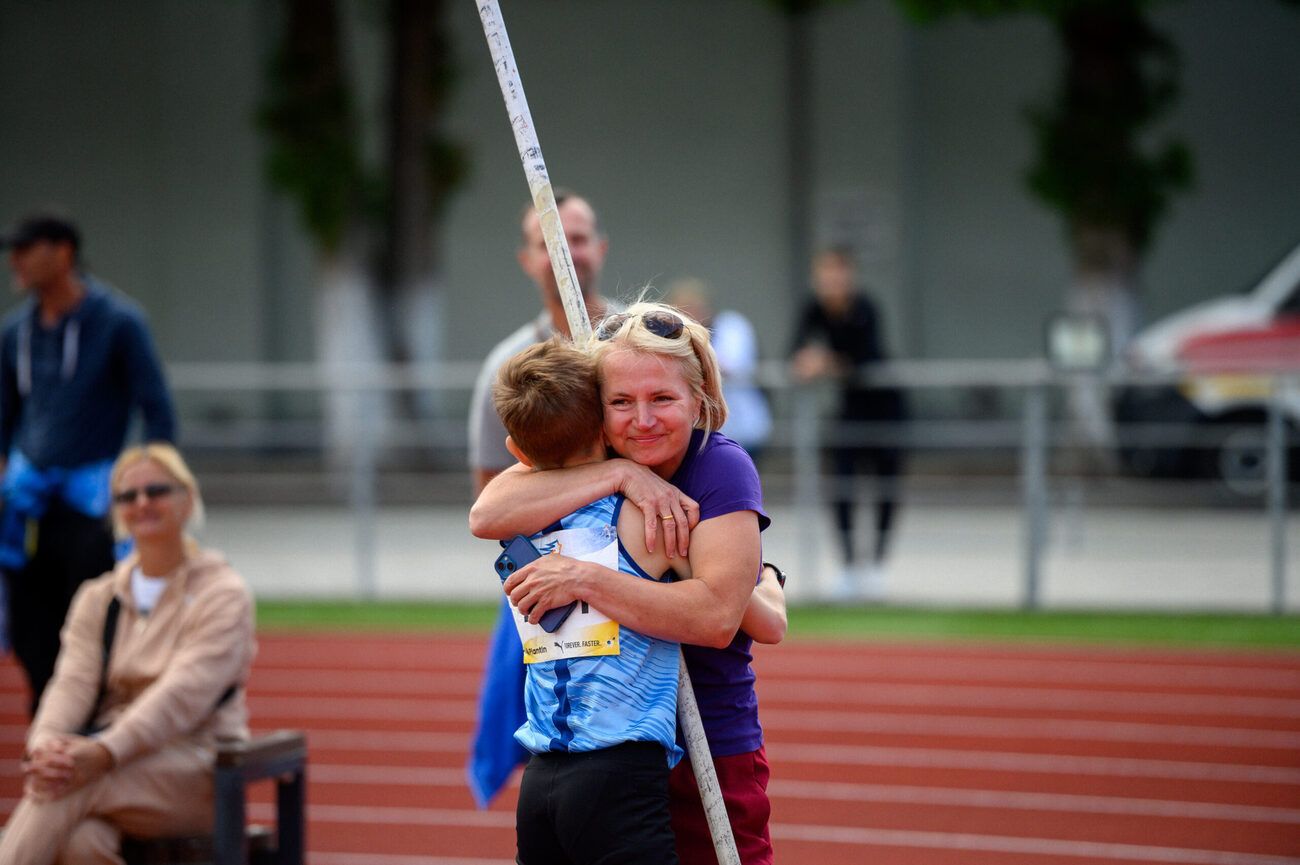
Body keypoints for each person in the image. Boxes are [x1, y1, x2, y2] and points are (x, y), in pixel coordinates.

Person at [471, 301, 786, 865]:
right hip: (600, 758)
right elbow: (486, 513)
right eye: (621, 402)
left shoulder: (719, 466)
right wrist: (619, 472)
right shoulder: (597, 451)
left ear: (701, 398)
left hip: (706, 745)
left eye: (662, 399)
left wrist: (584, 578)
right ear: (600, 414)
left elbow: (716, 617)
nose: (641, 420)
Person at [0, 443, 255, 865]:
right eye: (127, 495)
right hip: (110, 764)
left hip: (199, 772)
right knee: (83, 842)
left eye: (156, 490)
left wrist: (102, 753)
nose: (142, 503)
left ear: (187, 500)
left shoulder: (223, 595)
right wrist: (44, 745)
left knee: (69, 783)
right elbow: (70, 685)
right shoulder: (97, 598)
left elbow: (180, 696)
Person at [492, 336, 690, 864]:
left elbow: (484, 509)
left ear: (516, 453)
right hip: (618, 771)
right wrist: (764, 578)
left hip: (541, 777)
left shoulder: (517, 527)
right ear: (605, 428)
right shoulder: (642, 518)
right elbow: (728, 601)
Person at [466, 189, 617, 806]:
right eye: (548, 240)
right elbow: (489, 494)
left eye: (576, 237)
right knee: (547, 740)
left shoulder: (632, 352)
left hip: (642, 571)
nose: (565, 251)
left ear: (600, 249)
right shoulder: (509, 367)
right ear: (527, 259)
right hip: (546, 585)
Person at [0, 212, 177, 715]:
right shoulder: (15, 333)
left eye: (25, 248)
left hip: (93, 508)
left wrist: (148, 486)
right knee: (33, 634)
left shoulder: (119, 323)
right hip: (28, 509)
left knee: (96, 624)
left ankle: (91, 726)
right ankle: (49, 723)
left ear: (62, 253)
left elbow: (158, 411)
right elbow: (3, 414)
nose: (14, 261)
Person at [789, 246, 906, 599]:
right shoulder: (813, 308)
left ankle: (877, 567)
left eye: (838, 274)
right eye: (825, 275)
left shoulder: (865, 307)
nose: (832, 282)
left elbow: (867, 357)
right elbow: (794, 349)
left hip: (886, 411)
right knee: (841, 486)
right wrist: (805, 359)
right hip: (847, 413)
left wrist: (826, 362)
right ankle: (849, 567)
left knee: (886, 488)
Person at [666, 278, 772, 460]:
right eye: (681, 310)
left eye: (693, 308)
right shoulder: (671, 337)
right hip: (700, 433)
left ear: (707, 309)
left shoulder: (732, 327)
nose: (690, 316)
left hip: (744, 429)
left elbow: (726, 365)